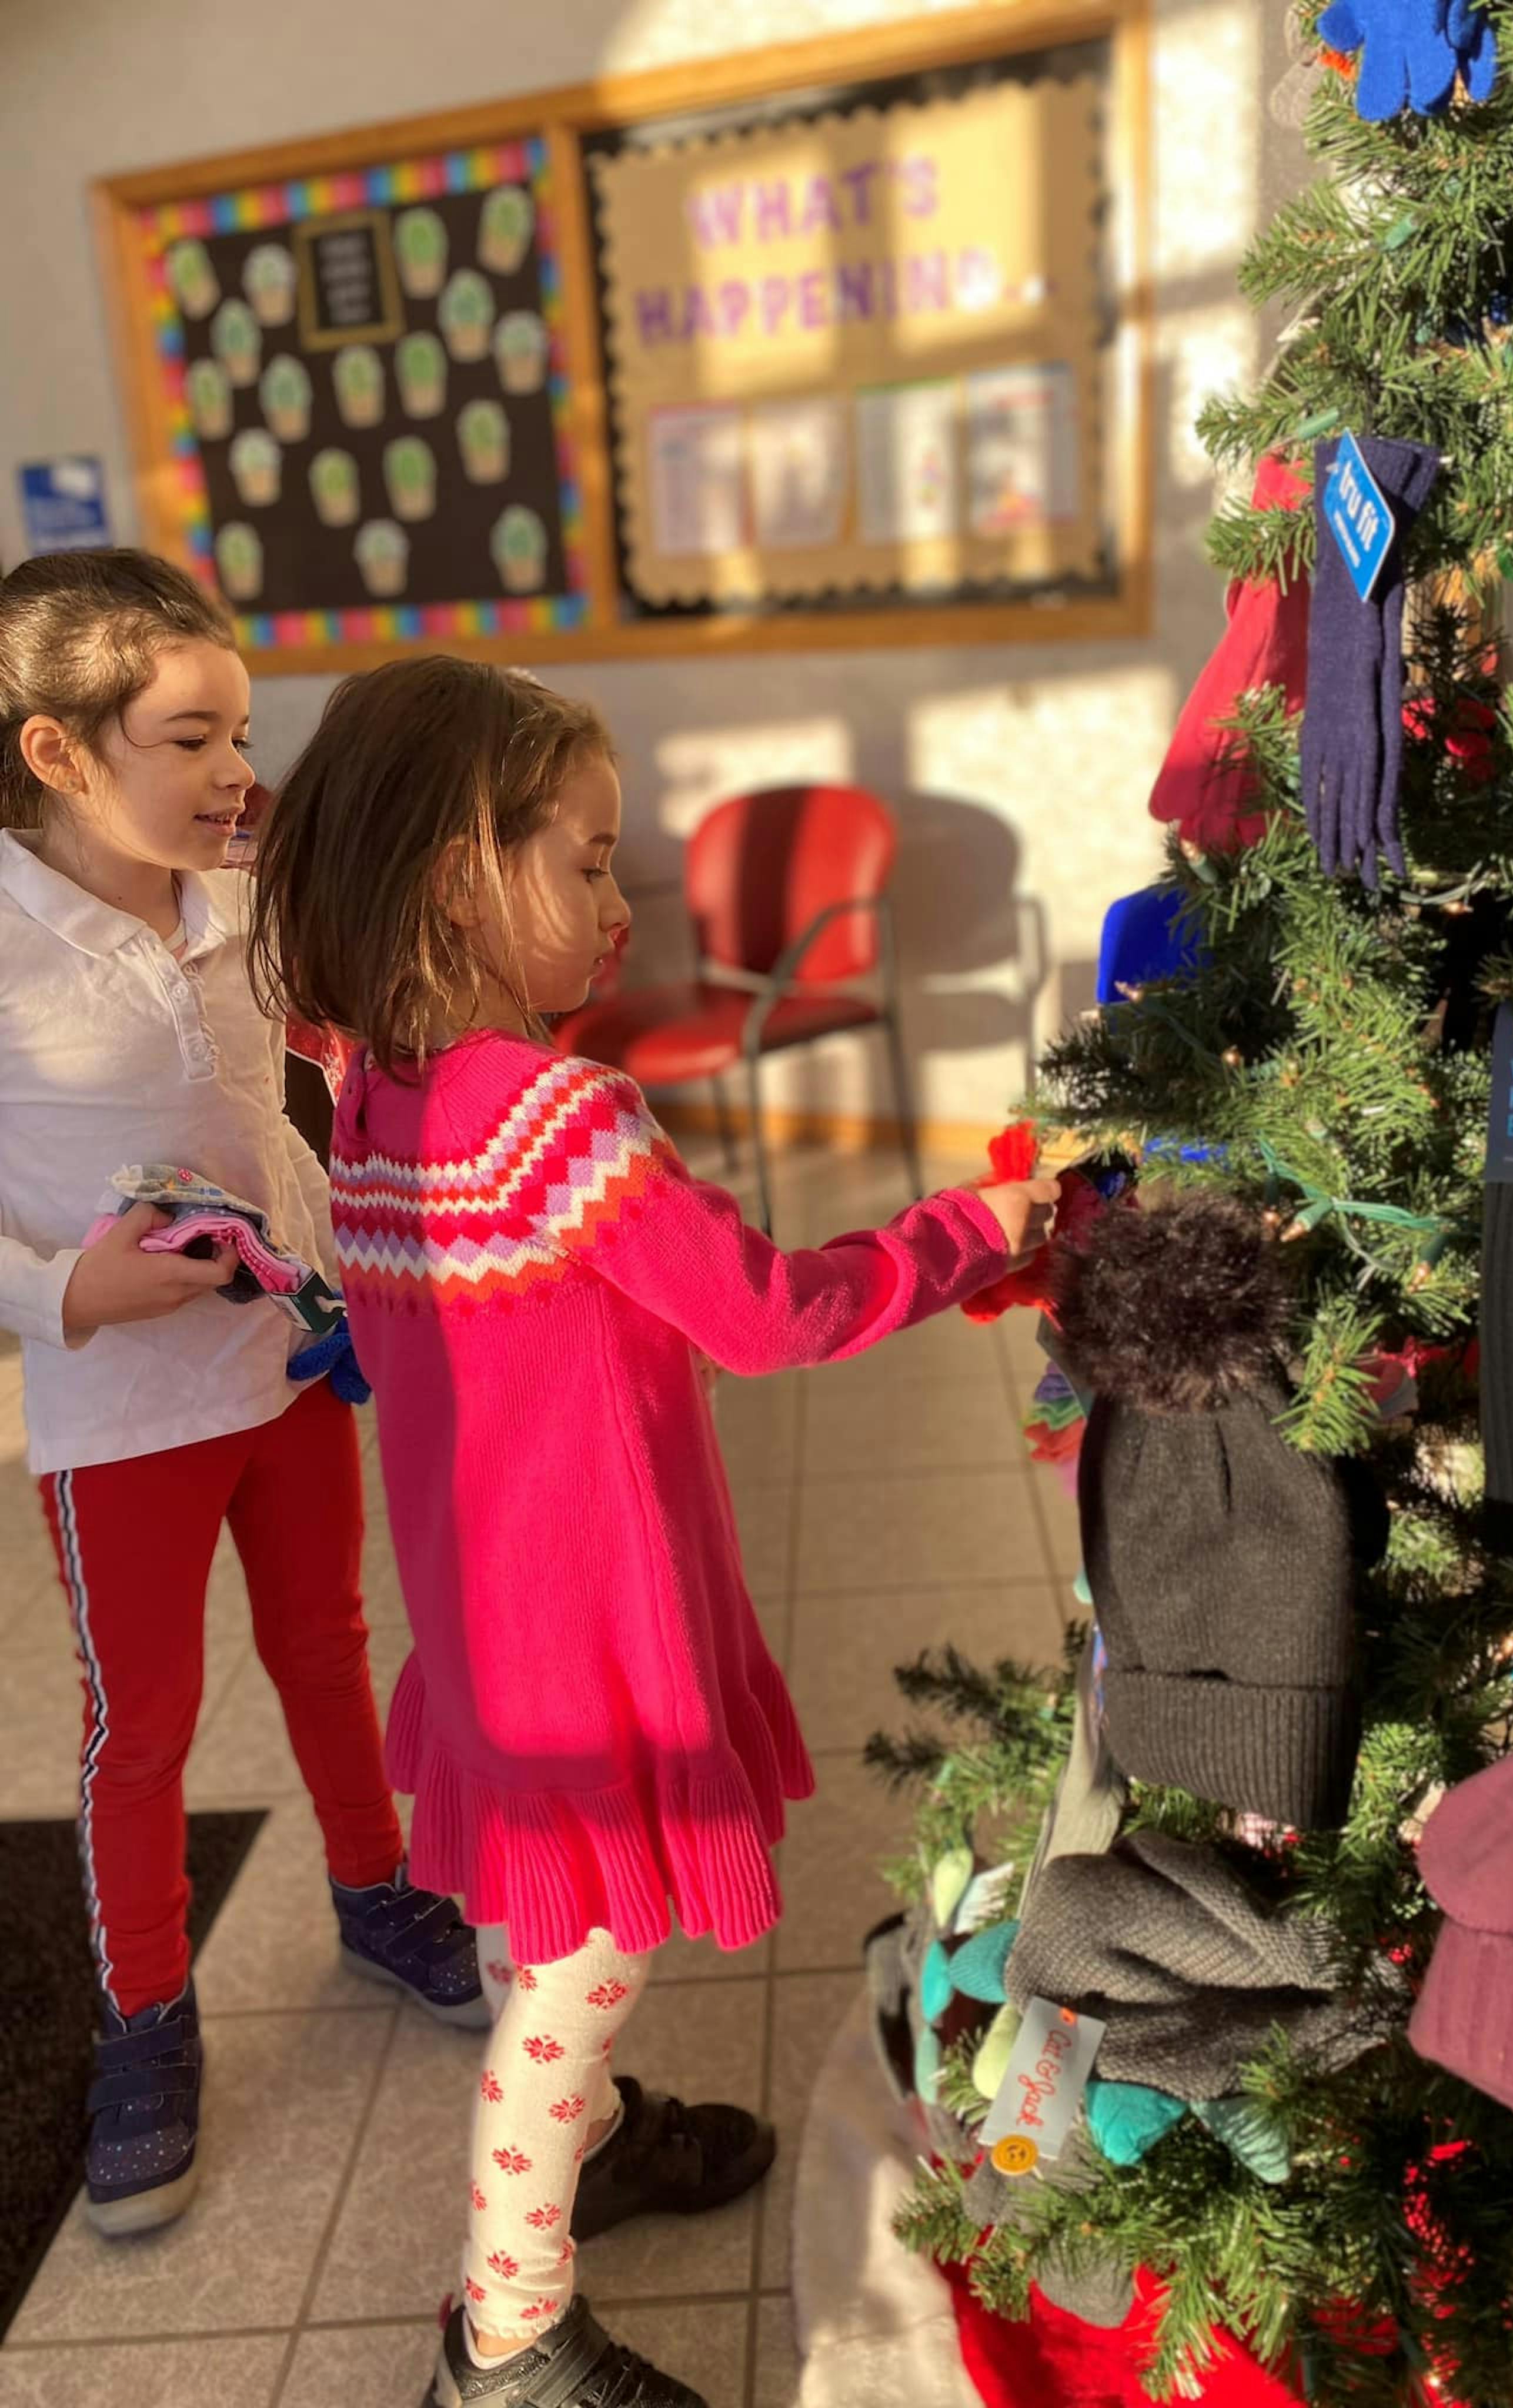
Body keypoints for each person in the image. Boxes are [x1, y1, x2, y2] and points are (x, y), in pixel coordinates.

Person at [249, 655, 1060, 2408]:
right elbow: (766, 1313)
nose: (623, 908)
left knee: (534, 1912)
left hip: (481, 1621)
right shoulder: (556, 1120)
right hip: (589, 1638)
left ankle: (603, 2144)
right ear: (461, 876)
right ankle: (510, 2335)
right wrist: (976, 1227)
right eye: (591, 860)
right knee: (577, 1978)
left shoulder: (371, 1098)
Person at [0, 551, 486, 2243]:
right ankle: (144, 2016)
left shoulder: (236, 905)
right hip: (119, 1417)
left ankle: (378, 1888)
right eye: (190, 739)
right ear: (59, 754)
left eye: (242, 736)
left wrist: (342, 1260)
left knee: (331, 1649)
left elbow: (278, 1117)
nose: (232, 773)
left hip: (283, 1368)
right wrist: (66, 1293)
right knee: (139, 1727)